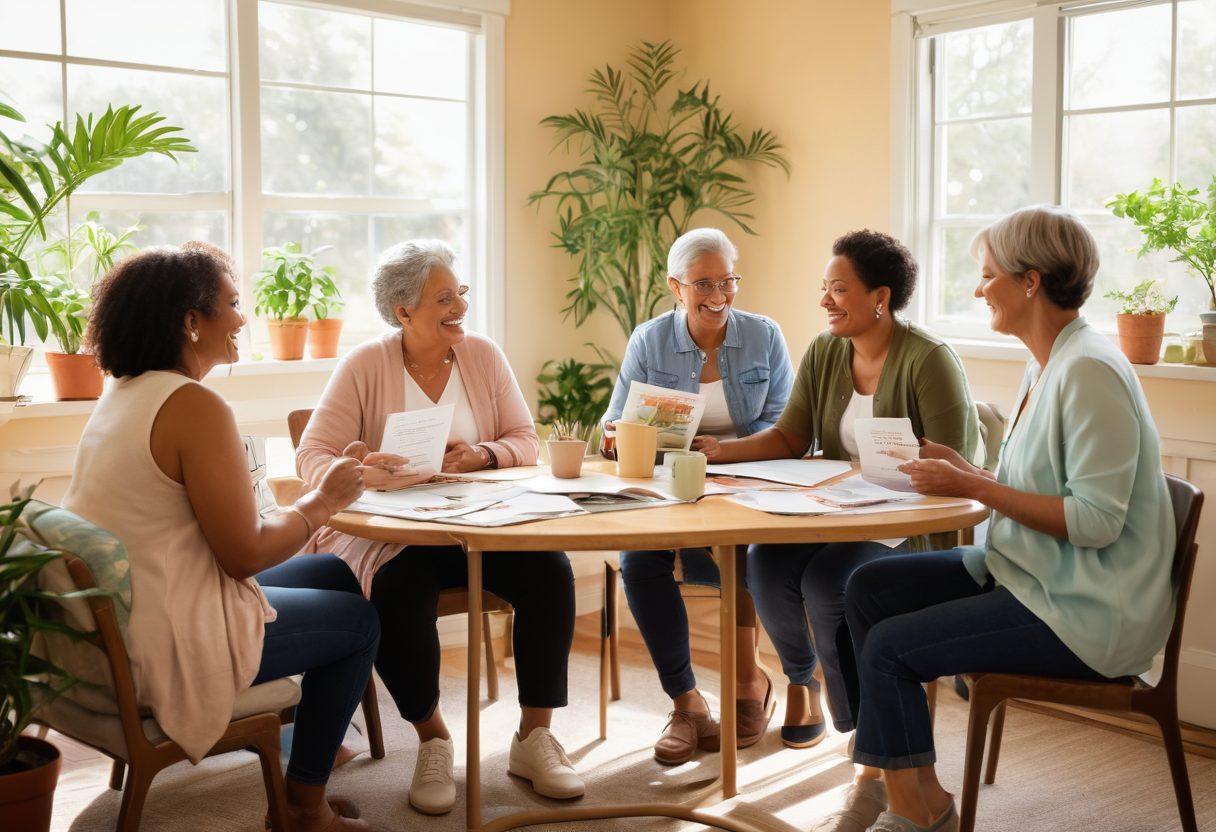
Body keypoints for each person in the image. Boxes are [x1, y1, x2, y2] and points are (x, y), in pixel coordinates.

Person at [839, 205, 1177, 832]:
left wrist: (973, 487)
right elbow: (1043, 487)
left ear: (1032, 281)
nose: (978, 288)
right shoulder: (1046, 362)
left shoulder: (1090, 372)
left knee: (889, 648)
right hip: (1031, 574)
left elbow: (1095, 521)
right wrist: (970, 471)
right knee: (868, 587)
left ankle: (914, 813)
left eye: (989, 275)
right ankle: (915, 789)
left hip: (1086, 609)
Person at [63, 243, 380, 832]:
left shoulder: (125, 394)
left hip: (132, 614)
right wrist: (325, 500)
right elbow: (244, 555)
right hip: (167, 639)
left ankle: (310, 743)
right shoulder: (194, 405)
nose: (242, 319)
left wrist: (313, 504)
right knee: (359, 624)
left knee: (334, 575)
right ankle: (305, 809)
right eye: (233, 304)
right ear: (191, 321)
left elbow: (217, 536)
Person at [296, 240, 581, 816]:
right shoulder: (364, 364)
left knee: (550, 571)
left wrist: (482, 452)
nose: (460, 307)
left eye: (461, 294)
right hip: (396, 532)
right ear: (403, 311)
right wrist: (353, 467)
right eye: (444, 298)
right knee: (396, 593)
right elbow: (312, 455)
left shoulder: (482, 354)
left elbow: (527, 440)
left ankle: (534, 737)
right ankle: (433, 738)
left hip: (482, 523)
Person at [696, 230, 979, 767]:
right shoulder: (827, 350)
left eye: (839, 289)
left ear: (880, 297)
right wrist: (717, 453)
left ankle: (860, 725)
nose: (825, 301)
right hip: (840, 513)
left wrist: (911, 472)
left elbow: (957, 467)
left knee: (829, 581)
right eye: (824, 288)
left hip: (911, 521)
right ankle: (801, 684)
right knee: (765, 561)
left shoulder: (930, 360)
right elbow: (790, 437)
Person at [600, 227, 794, 765]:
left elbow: (786, 425)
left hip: (746, 480)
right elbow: (611, 424)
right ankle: (687, 703)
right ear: (676, 288)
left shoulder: (764, 336)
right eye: (703, 283)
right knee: (639, 561)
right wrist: (619, 436)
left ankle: (748, 684)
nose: (718, 294)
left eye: (727, 280)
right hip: (667, 481)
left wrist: (727, 455)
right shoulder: (649, 340)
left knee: (748, 554)